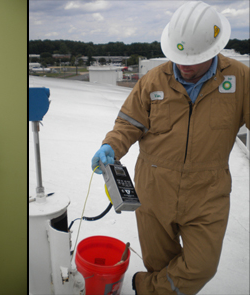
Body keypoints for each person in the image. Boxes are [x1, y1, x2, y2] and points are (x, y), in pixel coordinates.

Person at [91, 1, 249, 294]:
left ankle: (143, 287)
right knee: (159, 264)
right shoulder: (152, 80)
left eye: (193, 59)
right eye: (178, 57)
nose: (184, 65)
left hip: (208, 192)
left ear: (214, 50)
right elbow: (128, 123)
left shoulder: (240, 79)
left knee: (201, 266)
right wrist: (110, 145)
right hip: (154, 189)